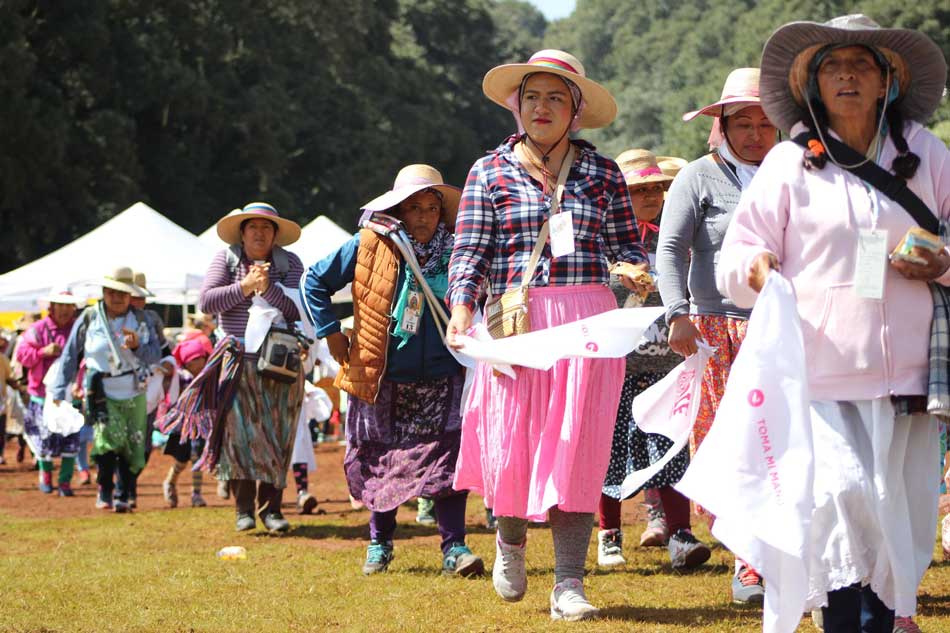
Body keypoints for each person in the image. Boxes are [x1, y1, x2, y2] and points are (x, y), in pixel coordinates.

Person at [716, 14, 948, 632]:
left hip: (911, 374)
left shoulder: (926, 152)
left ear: (886, 83)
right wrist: (758, 268)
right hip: (818, 370)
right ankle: (848, 620)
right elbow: (736, 257)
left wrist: (942, 263)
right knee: (843, 502)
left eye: (861, 65)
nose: (847, 76)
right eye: (832, 66)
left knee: (901, 514)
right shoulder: (791, 162)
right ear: (813, 85)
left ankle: (886, 618)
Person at [446, 50, 651, 620]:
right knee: (513, 442)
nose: (542, 107)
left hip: (589, 324)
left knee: (577, 450)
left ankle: (568, 582)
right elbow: (469, 252)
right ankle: (510, 543)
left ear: (576, 110)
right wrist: (462, 308)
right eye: (532, 96)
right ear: (517, 105)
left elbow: (625, 246)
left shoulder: (604, 173)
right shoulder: (488, 172)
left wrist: (634, 266)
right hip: (516, 325)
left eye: (556, 97)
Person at [302, 164, 484, 578]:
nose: (422, 216)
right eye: (413, 207)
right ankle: (380, 543)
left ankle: (454, 547)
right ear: (399, 210)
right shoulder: (370, 243)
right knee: (380, 460)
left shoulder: (459, 249)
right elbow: (314, 280)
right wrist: (330, 331)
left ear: (442, 212)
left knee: (448, 460)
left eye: (431, 208)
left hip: (445, 372)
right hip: (381, 375)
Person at [655, 66, 778, 604]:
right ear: (721, 126)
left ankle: (779, 556)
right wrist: (676, 313)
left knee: (782, 443)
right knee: (731, 447)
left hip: (784, 329)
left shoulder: (795, 177)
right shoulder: (697, 177)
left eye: (766, 124)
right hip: (717, 331)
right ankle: (747, 563)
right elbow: (669, 249)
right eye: (743, 123)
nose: (755, 134)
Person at [596, 150, 710, 571]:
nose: (649, 196)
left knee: (671, 446)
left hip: (667, 361)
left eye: (656, 188)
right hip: (619, 362)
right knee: (610, 448)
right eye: (638, 190)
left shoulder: (677, 233)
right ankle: (609, 535)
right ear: (622, 196)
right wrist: (616, 272)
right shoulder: (608, 241)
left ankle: (680, 534)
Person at [199, 202, 305, 533]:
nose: (259, 233)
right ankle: (243, 509)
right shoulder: (227, 260)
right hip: (237, 360)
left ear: (275, 235)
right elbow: (206, 302)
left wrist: (268, 289)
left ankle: (271, 509)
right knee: (239, 436)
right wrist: (245, 287)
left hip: (280, 362)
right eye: (253, 227)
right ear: (242, 233)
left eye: (267, 228)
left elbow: (298, 311)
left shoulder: (291, 265)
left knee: (278, 434)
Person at [51, 268, 162, 511]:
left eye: (122, 293)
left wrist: (136, 347)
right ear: (103, 292)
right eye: (111, 292)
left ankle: (124, 493)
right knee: (105, 442)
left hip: (133, 389)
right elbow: (71, 353)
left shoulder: (142, 319)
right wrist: (59, 390)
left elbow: (155, 355)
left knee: (131, 445)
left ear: (130, 295)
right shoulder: (90, 317)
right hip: (100, 389)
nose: (117, 298)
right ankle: (105, 488)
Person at [16, 289, 83, 495]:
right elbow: (21, 355)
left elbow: (87, 358)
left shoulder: (79, 330)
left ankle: (65, 481)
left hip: (70, 394)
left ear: (74, 307)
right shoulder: (38, 329)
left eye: (68, 305)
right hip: (42, 395)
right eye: (60, 305)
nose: (64, 310)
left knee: (70, 439)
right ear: (51, 307)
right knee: (43, 439)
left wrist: (80, 383)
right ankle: (45, 476)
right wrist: (42, 352)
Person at [161, 334, 213, 508]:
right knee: (182, 458)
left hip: (203, 423)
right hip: (184, 425)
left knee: (198, 456)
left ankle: (196, 494)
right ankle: (170, 482)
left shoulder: (210, 375)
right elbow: (173, 396)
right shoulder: (182, 377)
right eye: (191, 362)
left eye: (199, 360)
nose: (196, 365)